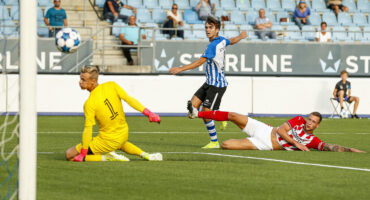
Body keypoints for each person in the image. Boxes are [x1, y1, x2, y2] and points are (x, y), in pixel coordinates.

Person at [169, 16, 247, 149]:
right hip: (208, 83)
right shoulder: (221, 40)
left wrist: (180, 69)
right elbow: (232, 41)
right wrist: (241, 35)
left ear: (217, 30)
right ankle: (218, 115)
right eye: (206, 27)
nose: (207, 30)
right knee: (191, 111)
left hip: (217, 85)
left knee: (206, 113)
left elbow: (199, 62)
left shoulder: (213, 45)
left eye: (210, 27)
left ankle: (214, 141)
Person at [65, 65, 162, 162]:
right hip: (123, 133)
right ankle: (147, 155)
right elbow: (129, 99)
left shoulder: (89, 103)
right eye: (80, 79)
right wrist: (149, 113)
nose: (80, 82)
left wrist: (83, 153)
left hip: (108, 141)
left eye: (83, 80)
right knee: (120, 143)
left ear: (93, 81)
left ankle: (107, 157)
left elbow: (88, 129)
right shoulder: (112, 85)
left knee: (69, 155)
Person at [187, 105, 364, 152]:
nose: (308, 122)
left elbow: (330, 147)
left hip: (265, 144)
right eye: (309, 119)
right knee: (233, 115)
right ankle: (198, 114)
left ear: (317, 125)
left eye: (312, 122)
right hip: (265, 129)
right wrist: (296, 143)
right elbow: (280, 131)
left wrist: (352, 150)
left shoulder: (313, 141)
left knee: (226, 145)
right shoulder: (298, 120)